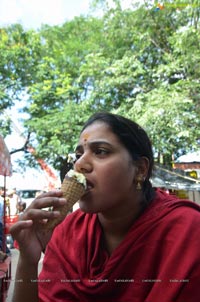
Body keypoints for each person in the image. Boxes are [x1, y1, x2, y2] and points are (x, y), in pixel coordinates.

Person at [10, 112, 200, 302]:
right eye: (78, 155)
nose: (79, 164)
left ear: (140, 169)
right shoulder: (68, 232)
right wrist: (28, 261)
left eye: (101, 151)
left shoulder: (188, 230)